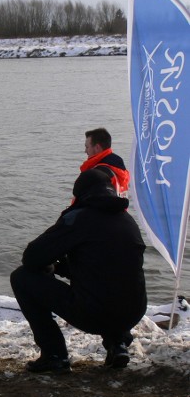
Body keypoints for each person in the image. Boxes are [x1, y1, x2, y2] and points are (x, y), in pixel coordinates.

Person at [10, 168, 147, 373]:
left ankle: (54, 355)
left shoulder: (79, 218)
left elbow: (31, 257)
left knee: (21, 277)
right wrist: (58, 267)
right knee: (114, 282)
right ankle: (117, 344)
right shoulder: (128, 221)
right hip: (134, 312)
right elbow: (97, 266)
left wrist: (51, 266)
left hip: (96, 314)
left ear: (81, 194)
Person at [81, 127, 129, 197]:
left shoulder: (99, 173)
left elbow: (92, 202)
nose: (85, 151)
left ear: (97, 147)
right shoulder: (118, 168)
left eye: (87, 147)